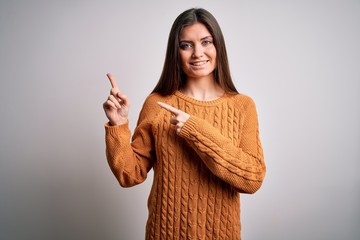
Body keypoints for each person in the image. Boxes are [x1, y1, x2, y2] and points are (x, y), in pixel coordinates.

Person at [103, 8, 266, 240]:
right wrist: (118, 125)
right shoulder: (157, 103)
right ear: (176, 52)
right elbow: (129, 175)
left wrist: (195, 129)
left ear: (218, 46)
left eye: (206, 42)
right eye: (186, 45)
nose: (198, 53)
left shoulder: (242, 106)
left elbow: (252, 179)